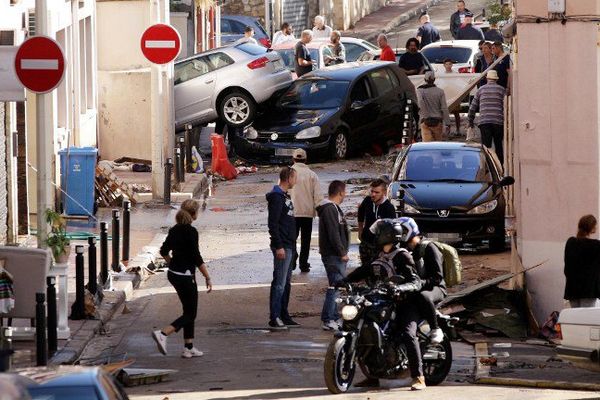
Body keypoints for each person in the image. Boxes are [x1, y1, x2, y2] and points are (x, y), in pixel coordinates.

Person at [343, 219, 425, 390]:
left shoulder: (403, 255)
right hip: (381, 300)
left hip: (405, 302)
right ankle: (373, 375)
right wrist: (344, 280)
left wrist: (400, 288)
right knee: (365, 326)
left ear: (387, 236)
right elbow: (365, 269)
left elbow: (415, 281)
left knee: (409, 334)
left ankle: (418, 376)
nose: (375, 236)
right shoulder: (379, 255)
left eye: (378, 233)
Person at [152, 199, 212, 358]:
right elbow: (196, 257)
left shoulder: (174, 230)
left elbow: (163, 250)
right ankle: (163, 333)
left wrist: (173, 263)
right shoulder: (191, 232)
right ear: (193, 214)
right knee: (191, 313)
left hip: (173, 274)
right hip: (185, 276)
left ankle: (188, 347)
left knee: (188, 310)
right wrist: (207, 277)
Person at [398, 217, 447, 344]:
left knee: (423, 296)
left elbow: (437, 277)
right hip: (414, 287)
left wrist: (420, 284)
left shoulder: (429, 248)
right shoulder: (403, 249)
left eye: (402, 231)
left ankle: (435, 328)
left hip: (436, 288)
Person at [266, 167, 300, 330]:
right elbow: (273, 224)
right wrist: (278, 245)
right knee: (279, 283)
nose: (296, 181)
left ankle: (284, 314)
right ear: (288, 178)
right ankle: (275, 316)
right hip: (283, 246)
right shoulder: (277, 198)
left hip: (289, 244)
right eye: (295, 178)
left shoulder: (284, 196)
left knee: (286, 283)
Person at [316, 180, 349, 331]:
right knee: (334, 286)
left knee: (336, 286)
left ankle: (333, 316)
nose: (345, 195)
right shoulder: (330, 209)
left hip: (334, 254)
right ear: (341, 192)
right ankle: (329, 318)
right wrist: (341, 252)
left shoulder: (333, 208)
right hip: (333, 255)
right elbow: (333, 233)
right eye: (345, 192)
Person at [290, 148, 322, 273]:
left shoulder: (289, 173)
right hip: (308, 213)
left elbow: (283, 191)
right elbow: (318, 196)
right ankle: (303, 264)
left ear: (293, 159)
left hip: (292, 212)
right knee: (306, 240)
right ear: (306, 160)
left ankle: (292, 260)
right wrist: (320, 212)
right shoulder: (312, 175)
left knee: (291, 238)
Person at [468, 70, 506, 163]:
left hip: (484, 122)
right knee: (498, 146)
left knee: (486, 147)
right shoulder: (501, 90)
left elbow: (473, 107)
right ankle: (500, 166)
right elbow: (506, 106)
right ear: (496, 79)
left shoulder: (481, 89)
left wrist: (470, 120)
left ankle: (488, 166)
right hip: (498, 122)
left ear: (487, 78)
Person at [357, 179, 397, 267]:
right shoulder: (368, 201)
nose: (373, 194)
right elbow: (361, 211)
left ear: (384, 192)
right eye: (372, 191)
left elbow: (392, 230)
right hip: (366, 242)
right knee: (365, 268)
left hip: (379, 246)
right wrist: (360, 230)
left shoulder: (389, 208)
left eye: (376, 192)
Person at [564, 215, 600, 308]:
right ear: (591, 227)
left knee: (575, 318)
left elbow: (567, 267)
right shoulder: (596, 246)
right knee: (585, 319)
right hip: (589, 290)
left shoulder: (571, 242)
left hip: (572, 289)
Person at [417, 71, 451, 142]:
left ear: (425, 79)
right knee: (437, 145)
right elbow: (444, 108)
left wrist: (425, 116)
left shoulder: (420, 90)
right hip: (437, 122)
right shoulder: (440, 91)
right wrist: (447, 123)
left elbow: (420, 102)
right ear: (434, 79)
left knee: (427, 146)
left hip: (425, 122)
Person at [442, 59, 463, 136]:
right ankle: (448, 129)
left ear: (452, 65)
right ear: (444, 65)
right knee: (446, 114)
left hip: (454, 95)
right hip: (446, 96)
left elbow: (460, 84)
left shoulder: (456, 74)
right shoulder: (441, 75)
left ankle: (458, 130)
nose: (448, 66)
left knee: (456, 114)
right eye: (447, 64)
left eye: (450, 64)